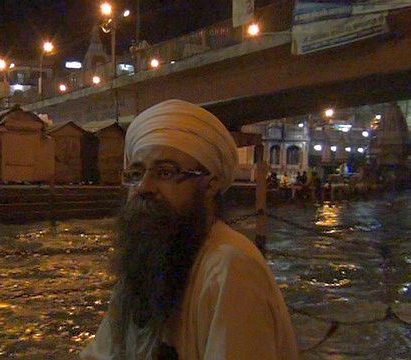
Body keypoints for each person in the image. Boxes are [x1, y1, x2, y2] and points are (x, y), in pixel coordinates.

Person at [80, 99, 298, 359]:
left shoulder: (230, 269)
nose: (143, 187)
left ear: (210, 185)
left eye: (166, 173)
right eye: (136, 174)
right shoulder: (147, 263)